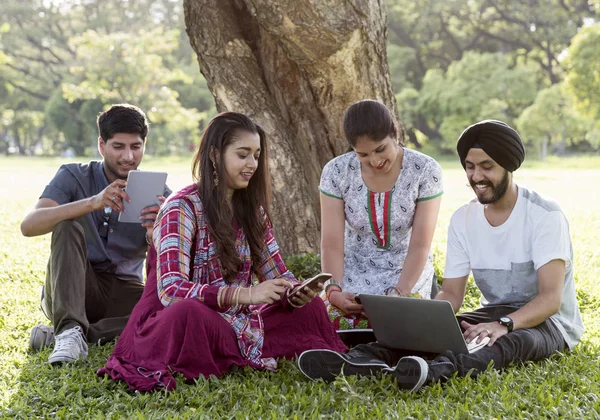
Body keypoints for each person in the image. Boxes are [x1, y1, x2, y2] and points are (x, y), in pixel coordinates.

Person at [298, 120, 584, 392]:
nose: (476, 177)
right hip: (494, 314)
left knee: (508, 343)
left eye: (487, 167)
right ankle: (359, 359)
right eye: (470, 167)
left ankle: (435, 371)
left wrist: (504, 324)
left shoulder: (545, 215)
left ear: (509, 166)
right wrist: (423, 323)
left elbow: (550, 300)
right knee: (448, 331)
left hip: (550, 323)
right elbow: (451, 293)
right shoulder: (463, 219)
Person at [97, 112, 347, 391]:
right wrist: (247, 294)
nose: (252, 164)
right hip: (174, 321)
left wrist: (295, 292)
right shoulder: (181, 207)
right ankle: (238, 350)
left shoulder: (253, 212)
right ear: (215, 155)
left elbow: (279, 273)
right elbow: (171, 290)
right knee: (190, 313)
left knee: (308, 307)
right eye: (243, 155)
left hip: (235, 320)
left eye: (256, 155)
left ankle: (243, 349)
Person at [21, 104, 170, 365]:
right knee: (67, 226)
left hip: (123, 291)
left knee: (170, 312)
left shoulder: (159, 193)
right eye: (118, 146)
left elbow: (176, 263)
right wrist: (92, 202)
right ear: (101, 145)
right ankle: (68, 329)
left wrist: (154, 233)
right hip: (73, 286)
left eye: (135, 147)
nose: (128, 156)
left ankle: (74, 334)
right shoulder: (72, 175)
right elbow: (29, 226)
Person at [319, 100, 443, 330]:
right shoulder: (336, 171)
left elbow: (420, 246)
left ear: (394, 133)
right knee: (331, 321)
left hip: (405, 269)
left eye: (380, 149)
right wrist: (333, 290)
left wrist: (400, 293)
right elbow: (332, 244)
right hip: (354, 266)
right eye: (363, 154)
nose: (375, 161)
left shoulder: (425, 170)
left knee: (399, 323)